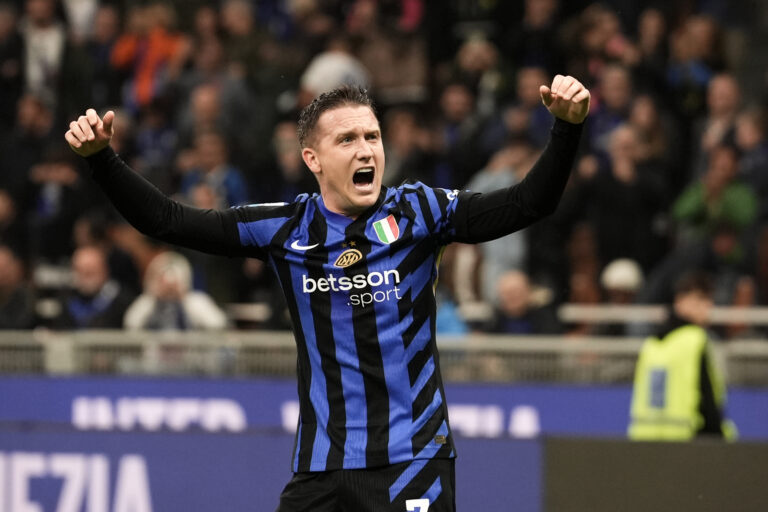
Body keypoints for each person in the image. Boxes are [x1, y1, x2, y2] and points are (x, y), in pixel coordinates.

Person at [65, 75, 589, 512]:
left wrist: (567, 129)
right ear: (312, 159)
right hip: (323, 467)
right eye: (348, 140)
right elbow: (167, 220)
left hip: (414, 462)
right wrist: (101, 160)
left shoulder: (420, 212)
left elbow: (528, 204)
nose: (366, 150)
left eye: (373, 136)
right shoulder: (285, 229)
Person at [628, 272, 736, 441]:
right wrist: (718, 435)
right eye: (700, 299)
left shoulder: (651, 343)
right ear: (680, 300)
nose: (708, 306)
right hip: (688, 441)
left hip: (645, 439)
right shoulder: (695, 339)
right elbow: (706, 394)